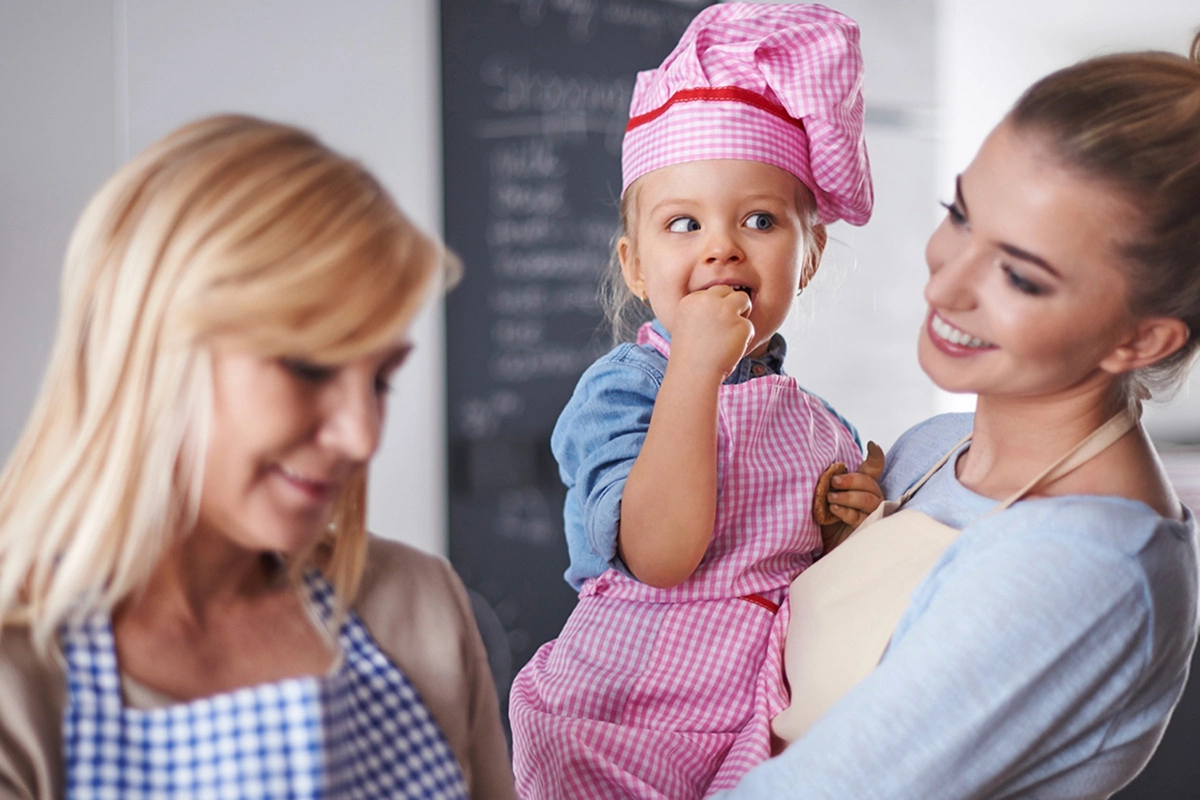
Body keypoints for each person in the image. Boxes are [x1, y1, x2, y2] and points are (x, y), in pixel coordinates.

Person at [721, 32, 1200, 800]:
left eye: (1018, 274)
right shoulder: (933, 451)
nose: (946, 285)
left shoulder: (1083, 564)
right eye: (961, 215)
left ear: (1140, 338)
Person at [0, 114, 516, 799]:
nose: (363, 437)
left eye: (381, 379)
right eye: (308, 366)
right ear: (152, 351)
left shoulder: (418, 608)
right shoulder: (19, 675)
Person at [508, 4, 884, 797]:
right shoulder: (623, 390)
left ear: (808, 256)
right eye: (683, 223)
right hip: (622, 721)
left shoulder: (822, 424)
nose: (722, 246)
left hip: (749, 715)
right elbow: (662, 553)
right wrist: (695, 373)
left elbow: (823, 589)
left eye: (759, 219)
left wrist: (846, 529)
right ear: (636, 266)